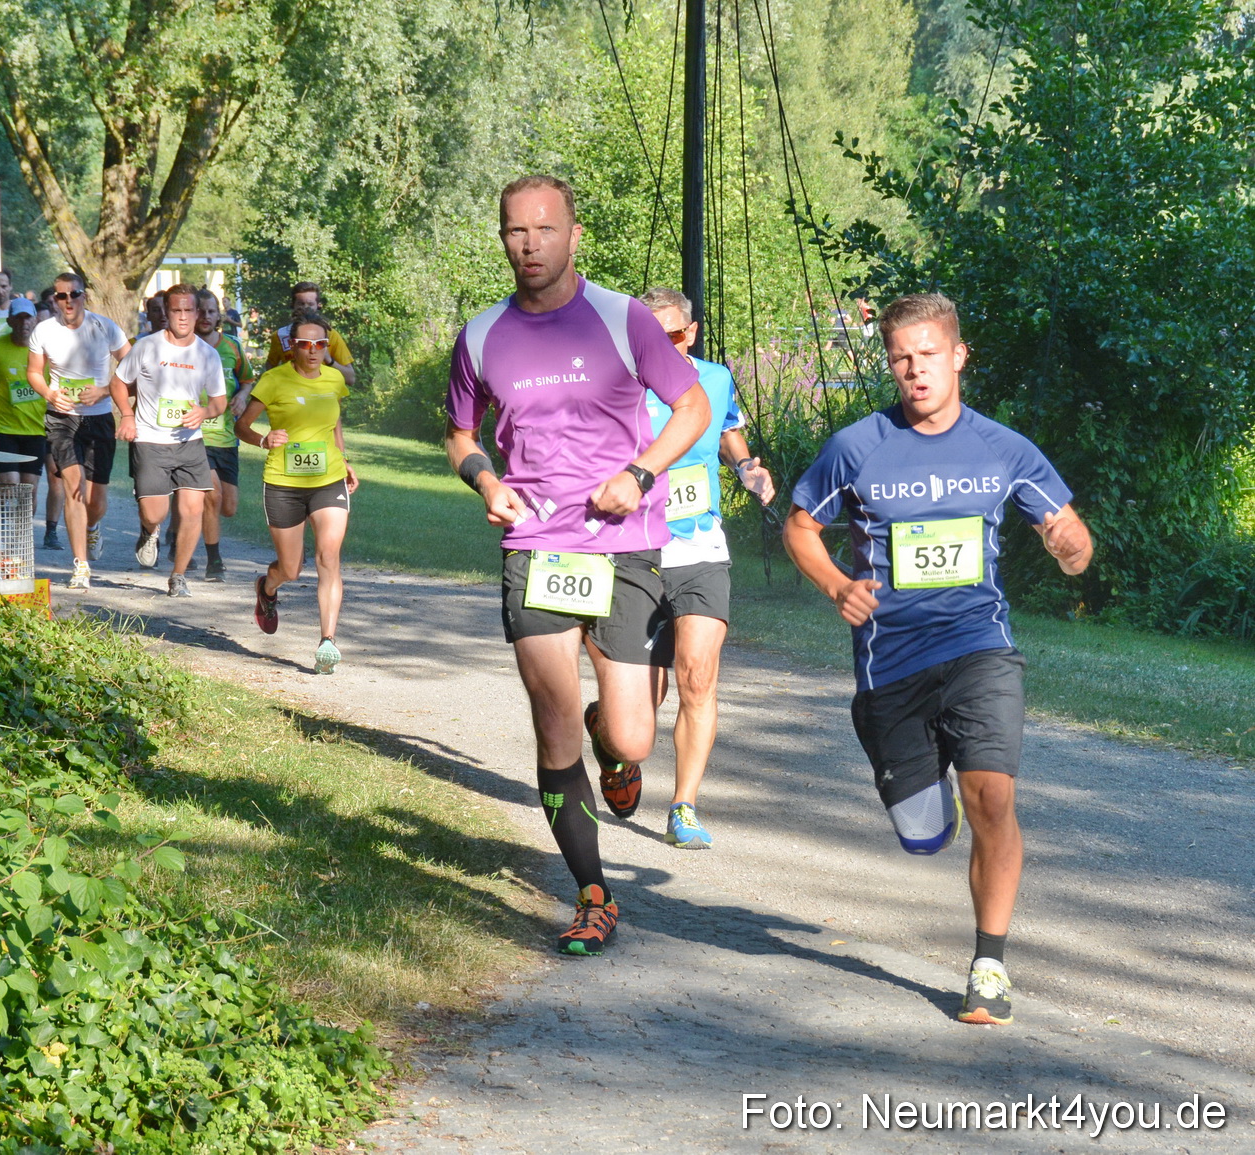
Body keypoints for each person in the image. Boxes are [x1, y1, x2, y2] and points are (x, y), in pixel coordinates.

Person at [783, 292, 1093, 1027]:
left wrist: (1071, 548)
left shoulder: (1002, 448)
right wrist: (837, 585)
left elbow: (1073, 540)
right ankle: (925, 785)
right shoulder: (857, 447)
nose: (916, 370)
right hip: (890, 663)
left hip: (979, 645)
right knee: (924, 834)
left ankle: (989, 965)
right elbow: (800, 526)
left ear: (958, 356)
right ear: (890, 364)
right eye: (901, 358)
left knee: (993, 797)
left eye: (929, 354)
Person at [444, 175, 708, 957]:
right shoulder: (481, 334)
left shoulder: (624, 318)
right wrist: (485, 481)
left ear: (574, 234)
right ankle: (593, 892)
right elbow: (460, 435)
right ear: (502, 237)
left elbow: (692, 406)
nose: (530, 245)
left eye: (545, 229)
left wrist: (641, 474)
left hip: (624, 542)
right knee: (552, 717)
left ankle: (609, 733)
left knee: (631, 735)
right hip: (534, 545)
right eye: (515, 231)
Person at [637, 288, 776, 850]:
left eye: (672, 335)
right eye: (650, 335)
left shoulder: (715, 379)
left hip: (700, 546)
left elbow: (726, 431)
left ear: (690, 333)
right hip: (636, 549)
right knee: (639, 703)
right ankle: (615, 746)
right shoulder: (620, 380)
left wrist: (746, 468)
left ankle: (684, 806)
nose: (661, 345)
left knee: (697, 675)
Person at [238, 312, 358, 671]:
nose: (313, 350)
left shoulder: (335, 379)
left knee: (328, 557)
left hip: (328, 479)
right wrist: (263, 440)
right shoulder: (274, 380)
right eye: (306, 344)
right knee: (291, 569)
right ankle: (268, 588)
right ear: (292, 346)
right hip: (283, 483)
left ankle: (327, 643)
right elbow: (242, 425)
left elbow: (334, 421)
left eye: (320, 344)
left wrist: (344, 459)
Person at [109, 282, 227, 597]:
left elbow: (219, 401)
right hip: (150, 440)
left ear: (198, 313)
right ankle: (150, 531)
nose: (183, 316)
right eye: (177, 310)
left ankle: (178, 576)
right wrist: (127, 415)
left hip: (190, 442)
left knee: (192, 509)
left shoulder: (207, 355)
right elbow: (118, 383)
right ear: (167, 312)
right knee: (155, 513)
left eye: (189, 310)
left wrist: (203, 412)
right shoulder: (146, 346)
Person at [27, 271, 131, 589]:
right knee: (74, 488)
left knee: (96, 501)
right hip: (61, 418)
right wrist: (50, 394)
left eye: (74, 294)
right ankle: (81, 566)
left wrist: (104, 390)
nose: (69, 300)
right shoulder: (44, 330)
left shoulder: (105, 327)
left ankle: (92, 527)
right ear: (54, 300)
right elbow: (34, 372)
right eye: (62, 296)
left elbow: (133, 366)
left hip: (98, 419)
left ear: (84, 296)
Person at [187, 287, 255, 580]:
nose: (205, 316)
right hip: (195, 436)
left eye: (211, 311)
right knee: (212, 496)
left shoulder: (233, 346)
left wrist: (242, 395)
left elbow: (248, 380)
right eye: (200, 311)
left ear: (219, 316)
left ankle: (180, 523)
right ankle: (214, 561)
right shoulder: (183, 347)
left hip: (226, 437)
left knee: (228, 507)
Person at [0, 299, 44, 487]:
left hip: (36, 427)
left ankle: (22, 512)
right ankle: (2, 508)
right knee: (9, 484)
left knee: (29, 489)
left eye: (27, 318)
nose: (23, 323)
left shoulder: (46, 349)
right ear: (9, 321)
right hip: (3, 427)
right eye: (18, 318)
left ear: (35, 320)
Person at [264, 282, 356, 387]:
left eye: (310, 304)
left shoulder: (331, 335)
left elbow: (350, 379)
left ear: (318, 305)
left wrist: (329, 360)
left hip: (323, 394)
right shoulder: (280, 335)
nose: (306, 308)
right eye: (301, 304)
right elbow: (270, 370)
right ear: (293, 305)